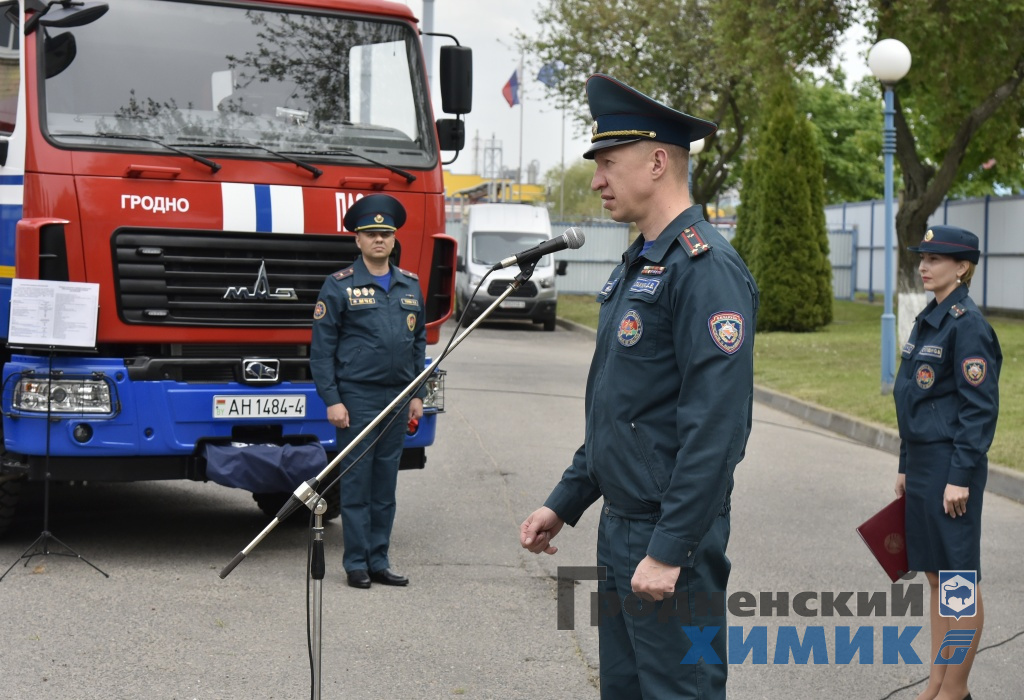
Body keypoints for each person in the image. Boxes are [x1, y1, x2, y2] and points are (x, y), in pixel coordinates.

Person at [519, 74, 759, 698]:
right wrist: (565, 500)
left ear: (657, 162)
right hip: (622, 527)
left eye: (607, 163)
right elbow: (620, 412)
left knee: (680, 689)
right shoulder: (642, 263)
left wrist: (672, 548)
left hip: (667, 532)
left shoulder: (707, 272)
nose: (597, 179)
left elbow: (717, 429)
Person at [894, 225, 1001, 700]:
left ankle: (954, 690)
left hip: (949, 468)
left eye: (936, 259)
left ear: (962, 267)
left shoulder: (967, 324)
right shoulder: (930, 317)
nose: (924, 265)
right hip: (922, 464)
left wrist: (959, 477)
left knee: (957, 580)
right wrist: (904, 462)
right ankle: (935, 683)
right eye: (923, 257)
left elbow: (978, 409)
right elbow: (913, 397)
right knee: (937, 579)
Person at [310, 193, 425, 589]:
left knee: (385, 484)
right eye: (371, 234)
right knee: (357, 484)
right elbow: (322, 351)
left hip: (397, 398)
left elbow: (418, 343)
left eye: (385, 234)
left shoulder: (409, 285)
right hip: (356, 399)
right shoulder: (338, 286)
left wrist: (416, 394)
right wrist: (332, 400)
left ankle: (380, 560)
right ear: (357, 240)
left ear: (394, 240)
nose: (379, 240)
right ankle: (356, 563)